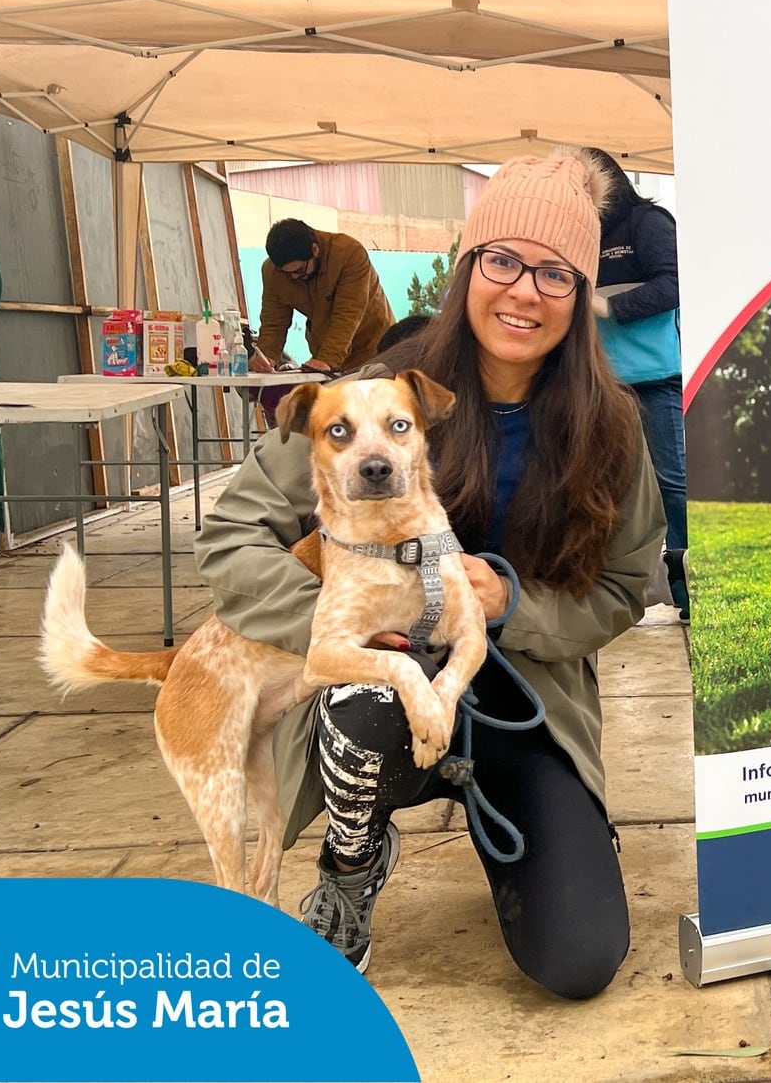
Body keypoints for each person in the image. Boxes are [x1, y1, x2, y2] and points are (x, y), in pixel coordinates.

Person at [197, 154, 666, 996]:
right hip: (376, 691)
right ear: (468, 268)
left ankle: (523, 816)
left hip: (527, 694)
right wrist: (338, 614)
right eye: (503, 261)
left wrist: (511, 603)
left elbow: (626, 587)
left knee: (580, 959)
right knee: (370, 697)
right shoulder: (371, 396)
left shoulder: (612, 425)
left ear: (582, 294)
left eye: (556, 272)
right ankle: (351, 859)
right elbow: (233, 532)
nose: (524, 291)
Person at [584, 148, 688, 621]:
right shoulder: (579, 232)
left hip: (653, 379)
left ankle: (686, 584)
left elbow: (675, 283)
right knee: (609, 488)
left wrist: (610, 308)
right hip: (598, 384)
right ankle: (627, 592)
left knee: (673, 482)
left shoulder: (647, 222)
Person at [252, 218, 396, 376]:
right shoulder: (272, 271)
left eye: (299, 270)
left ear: (315, 249)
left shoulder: (349, 254)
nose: (293, 277)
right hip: (324, 353)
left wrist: (327, 359)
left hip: (376, 349)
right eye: (287, 273)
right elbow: (273, 322)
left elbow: (347, 315)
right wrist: (266, 357)